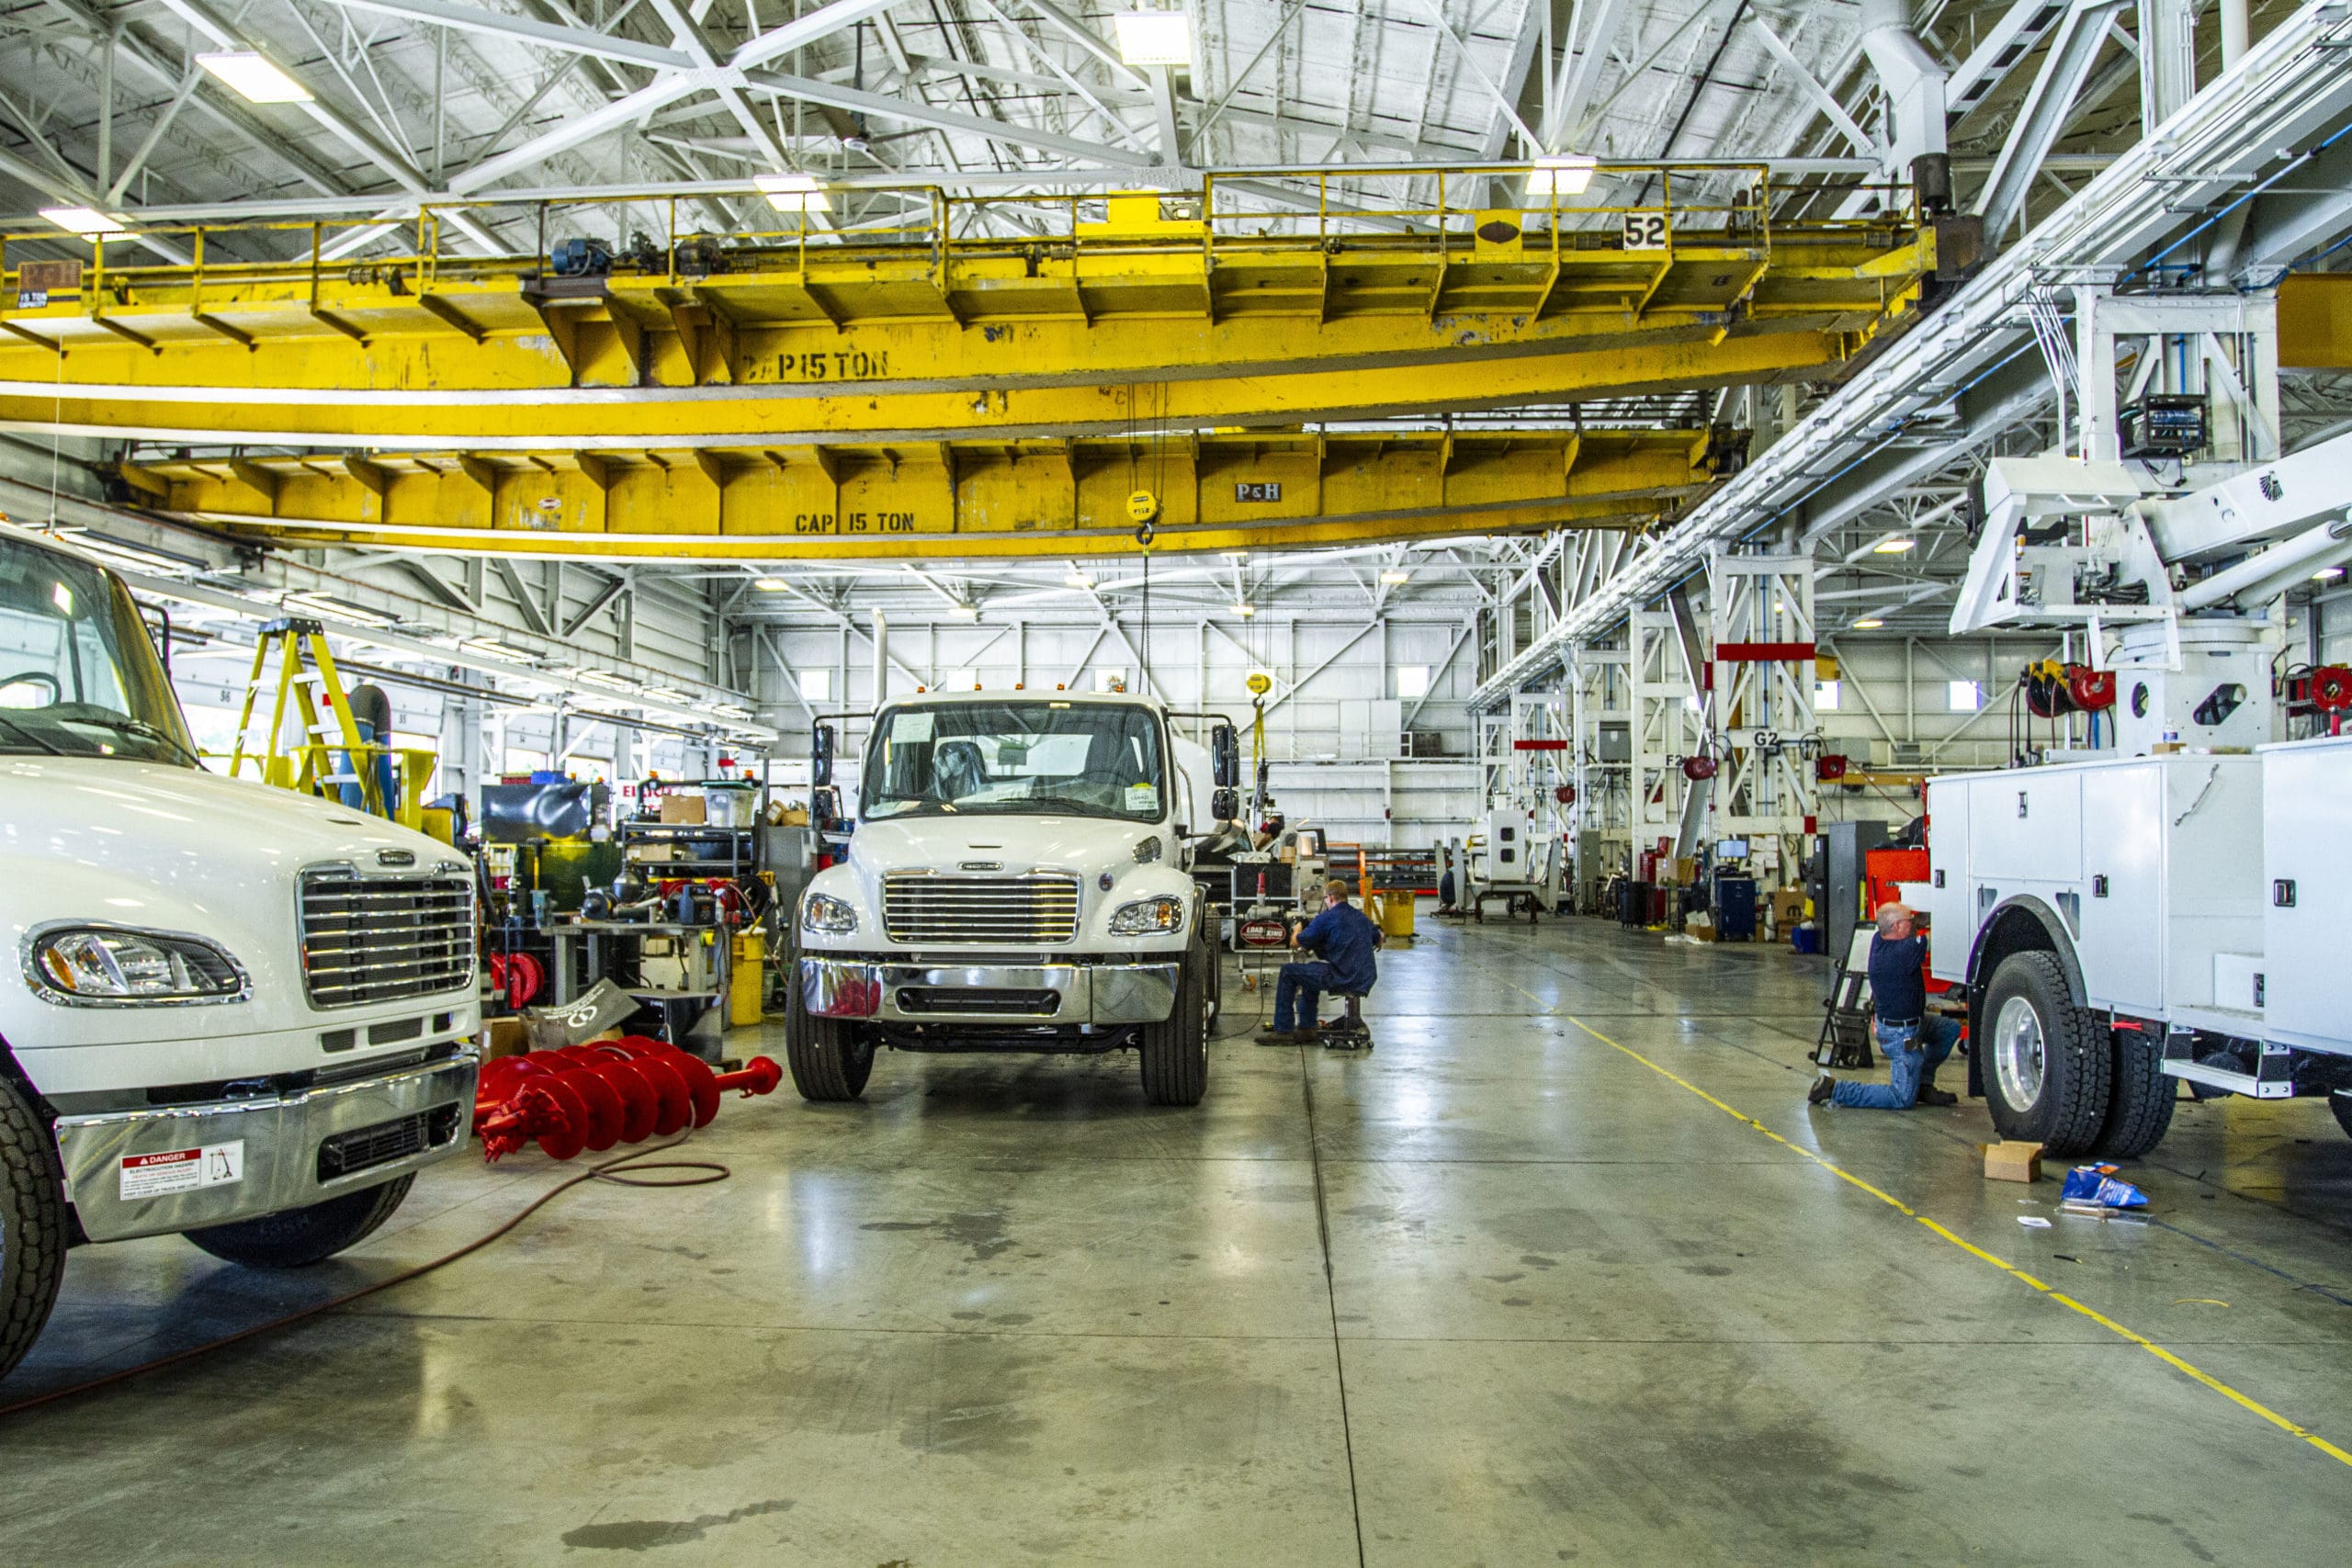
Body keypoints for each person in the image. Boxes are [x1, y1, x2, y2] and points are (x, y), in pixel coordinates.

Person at [1810, 901, 1960, 1110]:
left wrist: (1915, 921)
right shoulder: (1903, 952)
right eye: (1910, 919)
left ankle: (1922, 1085)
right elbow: (1932, 939)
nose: (1913, 922)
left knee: (1949, 1029)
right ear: (1897, 926)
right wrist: (1947, 917)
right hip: (1902, 1036)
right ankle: (1835, 1089)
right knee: (1901, 1098)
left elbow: (1910, 936)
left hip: (1910, 1027)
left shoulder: (1878, 940)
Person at [1256, 878, 1380, 1045]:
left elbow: (1296, 942)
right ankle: (1307, 1028)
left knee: (1288, 971)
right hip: (1365, 977)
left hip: (1342, 976)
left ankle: (1284, 1030)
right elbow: (1379, 938)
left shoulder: (1326, 918)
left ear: (1329, 898)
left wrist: (1297, 929)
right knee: (1310, 971)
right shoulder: (1361, 917)